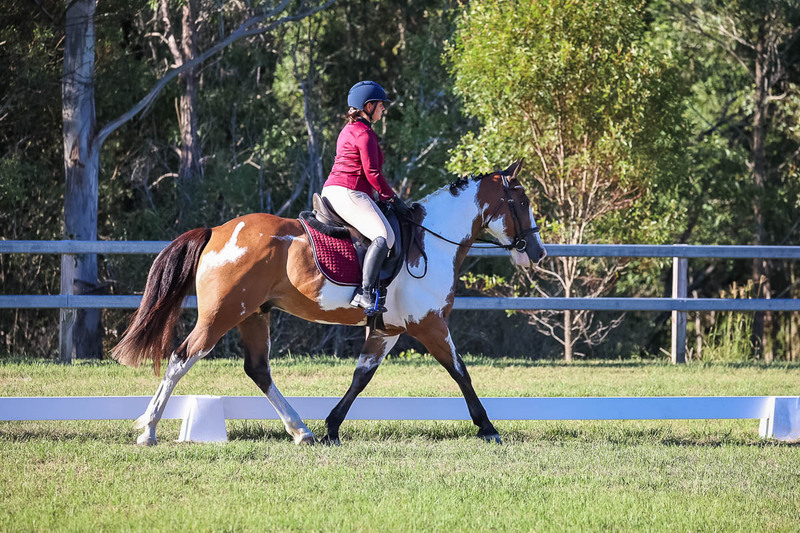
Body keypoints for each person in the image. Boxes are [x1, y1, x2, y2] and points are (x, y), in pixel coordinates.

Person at [321, 81, 409, 315]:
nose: (383, 109)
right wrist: (391, 198)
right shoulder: (364, 134)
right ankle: (365, 292)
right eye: (381, 105)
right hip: (349, 191)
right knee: (384, 236)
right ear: (368, 106)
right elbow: (372, 173)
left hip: (336, 189)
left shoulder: (350, 129)